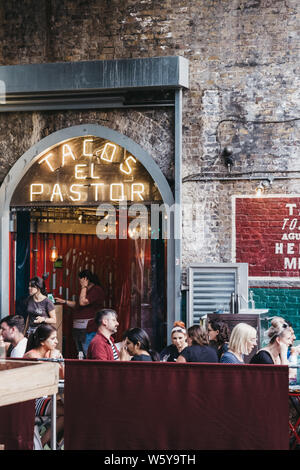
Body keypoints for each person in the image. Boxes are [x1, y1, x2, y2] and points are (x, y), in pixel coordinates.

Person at [23, 324, 64, 448]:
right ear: (42, 342)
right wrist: (52, 361)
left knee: (72, 409)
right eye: (52, 339)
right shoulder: (32, 356)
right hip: (30, 402)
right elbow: (44, 381)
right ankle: (42, 444)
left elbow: (62, 377)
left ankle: (43, 442)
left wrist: (60, 362)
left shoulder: (48, 354)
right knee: (70, 410)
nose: (56, 341)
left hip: (43, 399)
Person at [55, 269, 105, 357]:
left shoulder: (96, 289)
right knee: (81, 355)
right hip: (78, 330)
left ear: (85, 279)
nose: (79, 282)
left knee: (88, 353)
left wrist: (84, 287)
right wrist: (64, 301)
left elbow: (83, 302)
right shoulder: (85, 290)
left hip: (88, 330)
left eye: (80, 280)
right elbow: (78, 305)